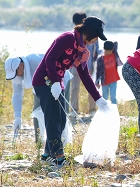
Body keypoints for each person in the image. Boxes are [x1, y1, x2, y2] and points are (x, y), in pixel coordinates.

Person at [32, 16, 108, 168]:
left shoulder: (82, 51)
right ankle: (59, 159)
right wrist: (54, 81)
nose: (96, 40)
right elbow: (50, 59)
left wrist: (98, 98)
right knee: (53, 119)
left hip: (55, 84)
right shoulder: (67, 38)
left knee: (60, 118)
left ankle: (47, 155)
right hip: (44, 81)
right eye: (97, 36)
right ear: (90, 31)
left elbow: (85, 75)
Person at [4, 54, 72, 144]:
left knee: (59, 112)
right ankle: (39, 142)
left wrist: (56, 88)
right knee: (37, 111)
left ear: (21, 65)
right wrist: (17, 117)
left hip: (60, 80)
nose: (16, 76)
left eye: (16, 73)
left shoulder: (36, 60)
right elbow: (17, 94)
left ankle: (59, 143)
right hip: (41, 86)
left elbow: (55, 70)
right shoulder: (16, 73)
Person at [69, 12, 101, 116]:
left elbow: (97, 50)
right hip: (75, 65)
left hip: (90, 65)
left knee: (91, 86)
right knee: (75, 87)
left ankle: (92, 109)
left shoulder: (93, 35)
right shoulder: (73, 35)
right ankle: (74, 110)